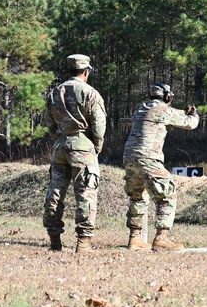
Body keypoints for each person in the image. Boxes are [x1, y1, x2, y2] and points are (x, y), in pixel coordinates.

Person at [122, 83, 199, 251]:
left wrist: (181, 111)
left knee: (137, 196)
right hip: (148, 158)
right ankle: (161, 238)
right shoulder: (164, 110)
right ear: (167, 97)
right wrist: (194, 114)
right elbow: (190, 124)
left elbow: (167, 112)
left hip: (129, 158)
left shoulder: (140, 109)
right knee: (168, 194)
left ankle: (134, 238)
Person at [43, 54, 107, 253]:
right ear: (86, 72)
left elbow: (49, 123)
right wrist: (95, 147)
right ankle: (83, 242)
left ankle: (55, 240)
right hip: (83, 145)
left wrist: (60, 138)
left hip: (60, 145)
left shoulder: (55, 92)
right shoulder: (91, 93)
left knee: (55, 192)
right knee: (85, 193)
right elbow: (99, 127)